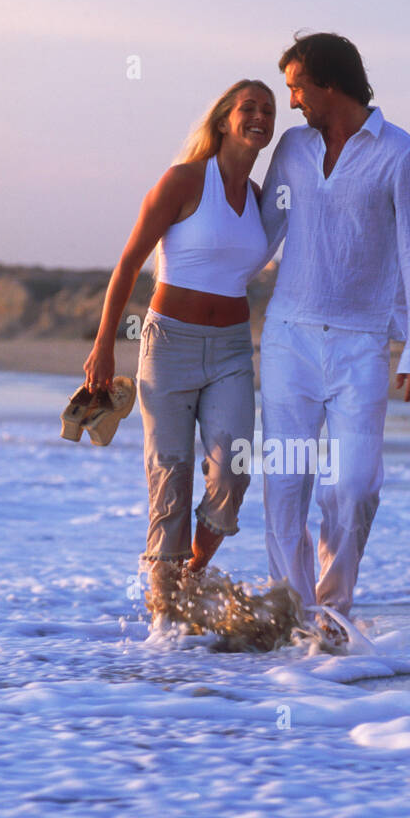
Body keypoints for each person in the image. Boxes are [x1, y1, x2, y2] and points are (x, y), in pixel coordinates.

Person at [259, 33, 410, 622]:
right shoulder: (290, 149)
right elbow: (260, 238)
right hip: (288, 337)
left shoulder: (401, 153)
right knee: (286, 487)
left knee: (353, 486)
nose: (291, 102)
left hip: (363, 344)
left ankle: (332, 613)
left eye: (296, 87)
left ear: (328, 83)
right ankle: (294, 614)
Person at [84, 79, 275, 622]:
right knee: (170, 476)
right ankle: (167, 627)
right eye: (248, 108)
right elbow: (128, 263)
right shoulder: (184, 180)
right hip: (169, 345)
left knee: (233, 470)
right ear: (223, 119)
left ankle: (189, 574)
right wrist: (104, 346)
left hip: (234, 349)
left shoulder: (259, 198)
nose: (260, 116)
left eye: (269, 109)